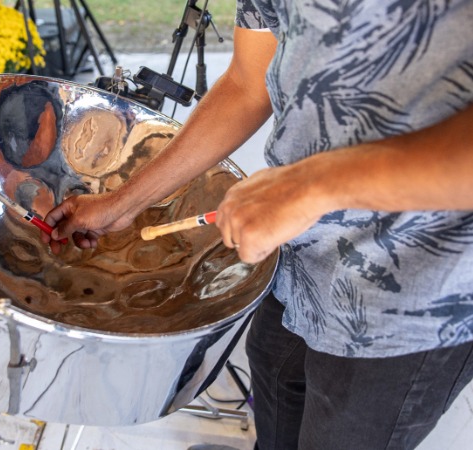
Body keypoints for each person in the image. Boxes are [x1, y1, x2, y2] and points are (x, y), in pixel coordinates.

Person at [42, 1, 473, 448]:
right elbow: (249, 84)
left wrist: (312, 186)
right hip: (298, 259)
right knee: (274, 398)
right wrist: (124, 202)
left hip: (415, 296)